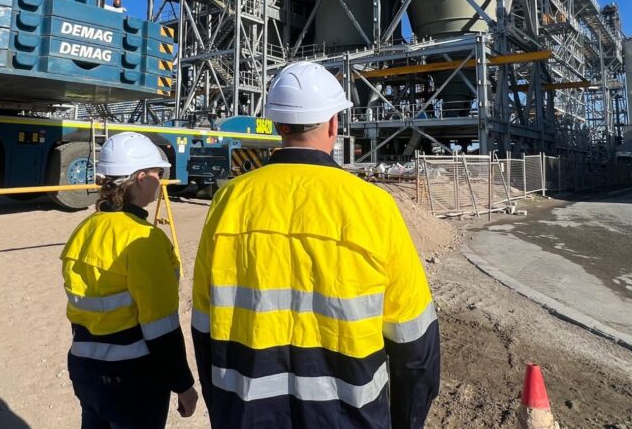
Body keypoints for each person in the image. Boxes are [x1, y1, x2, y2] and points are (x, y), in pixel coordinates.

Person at [191, 61, 441, 428]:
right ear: (333, 124)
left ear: (278, 125)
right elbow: (415, 344)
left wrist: (224, 412)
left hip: (247, 415)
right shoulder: (373, 207)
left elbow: (203, 327)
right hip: (348, 417)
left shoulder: (228, 202)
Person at [61, 132, 198, 428]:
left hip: (85, 369)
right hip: (133, 376)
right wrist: (183, 384)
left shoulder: (86, 229)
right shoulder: (144, 240)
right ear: (140, 177)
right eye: (158, 173)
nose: (160, 181)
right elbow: (161, 328)